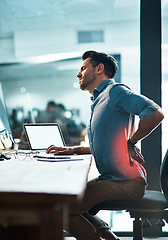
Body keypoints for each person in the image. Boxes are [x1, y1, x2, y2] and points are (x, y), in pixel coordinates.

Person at [46, 50, 164, 240]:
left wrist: (131, 142)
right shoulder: (99, 100)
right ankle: (111, 238)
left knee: (61, 210)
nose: (79, 74)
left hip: (126, 182)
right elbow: (104, 144)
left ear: (99, 69)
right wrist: (73, 150)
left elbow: (155, 113)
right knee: (70, 198)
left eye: (83, 68)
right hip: (113, 178)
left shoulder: (115, 92)